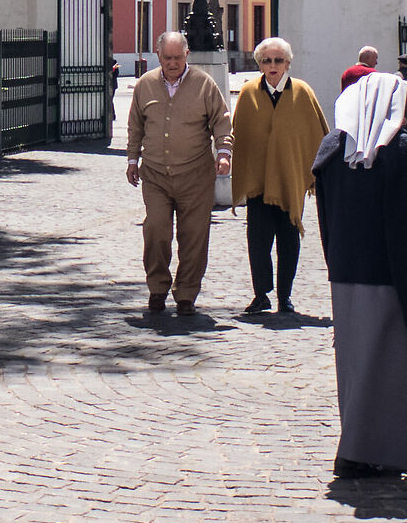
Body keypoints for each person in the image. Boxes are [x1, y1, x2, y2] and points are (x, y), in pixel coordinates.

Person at [314, 70, 407, 478]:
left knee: (358, 364)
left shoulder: (331, 147)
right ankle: (359, 450)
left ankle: (377, 434)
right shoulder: (400, 149)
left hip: (345, 271)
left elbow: (325, 215)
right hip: (391, 275)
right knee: (390, 363)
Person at [125, 30, 233, 318]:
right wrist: (132, 160)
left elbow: (221, 122)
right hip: (156, 175)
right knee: (157, 230)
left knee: (194, 236)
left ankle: (186, 294)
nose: (172, 63)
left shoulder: (203, 85)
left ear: (187, 55)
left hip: (195, 175)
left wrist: (224, 154)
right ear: (158, 55)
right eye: (167, 57)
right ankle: (157, 288)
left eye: (177, 57)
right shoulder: (145, 85)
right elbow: (136, 126)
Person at [229, 37, 328, 316]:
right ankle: (261, 294)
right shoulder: (249, 92)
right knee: (258, 241)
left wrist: (314, 172)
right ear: (259, 63)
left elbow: (317, 134)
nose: (273, 66)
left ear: (288, 63)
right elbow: (241, 135)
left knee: (288, 240)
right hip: (258, 183)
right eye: (267, 60)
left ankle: (286, 296)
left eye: (278, 60)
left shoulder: (303, 92)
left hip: (290, 181)